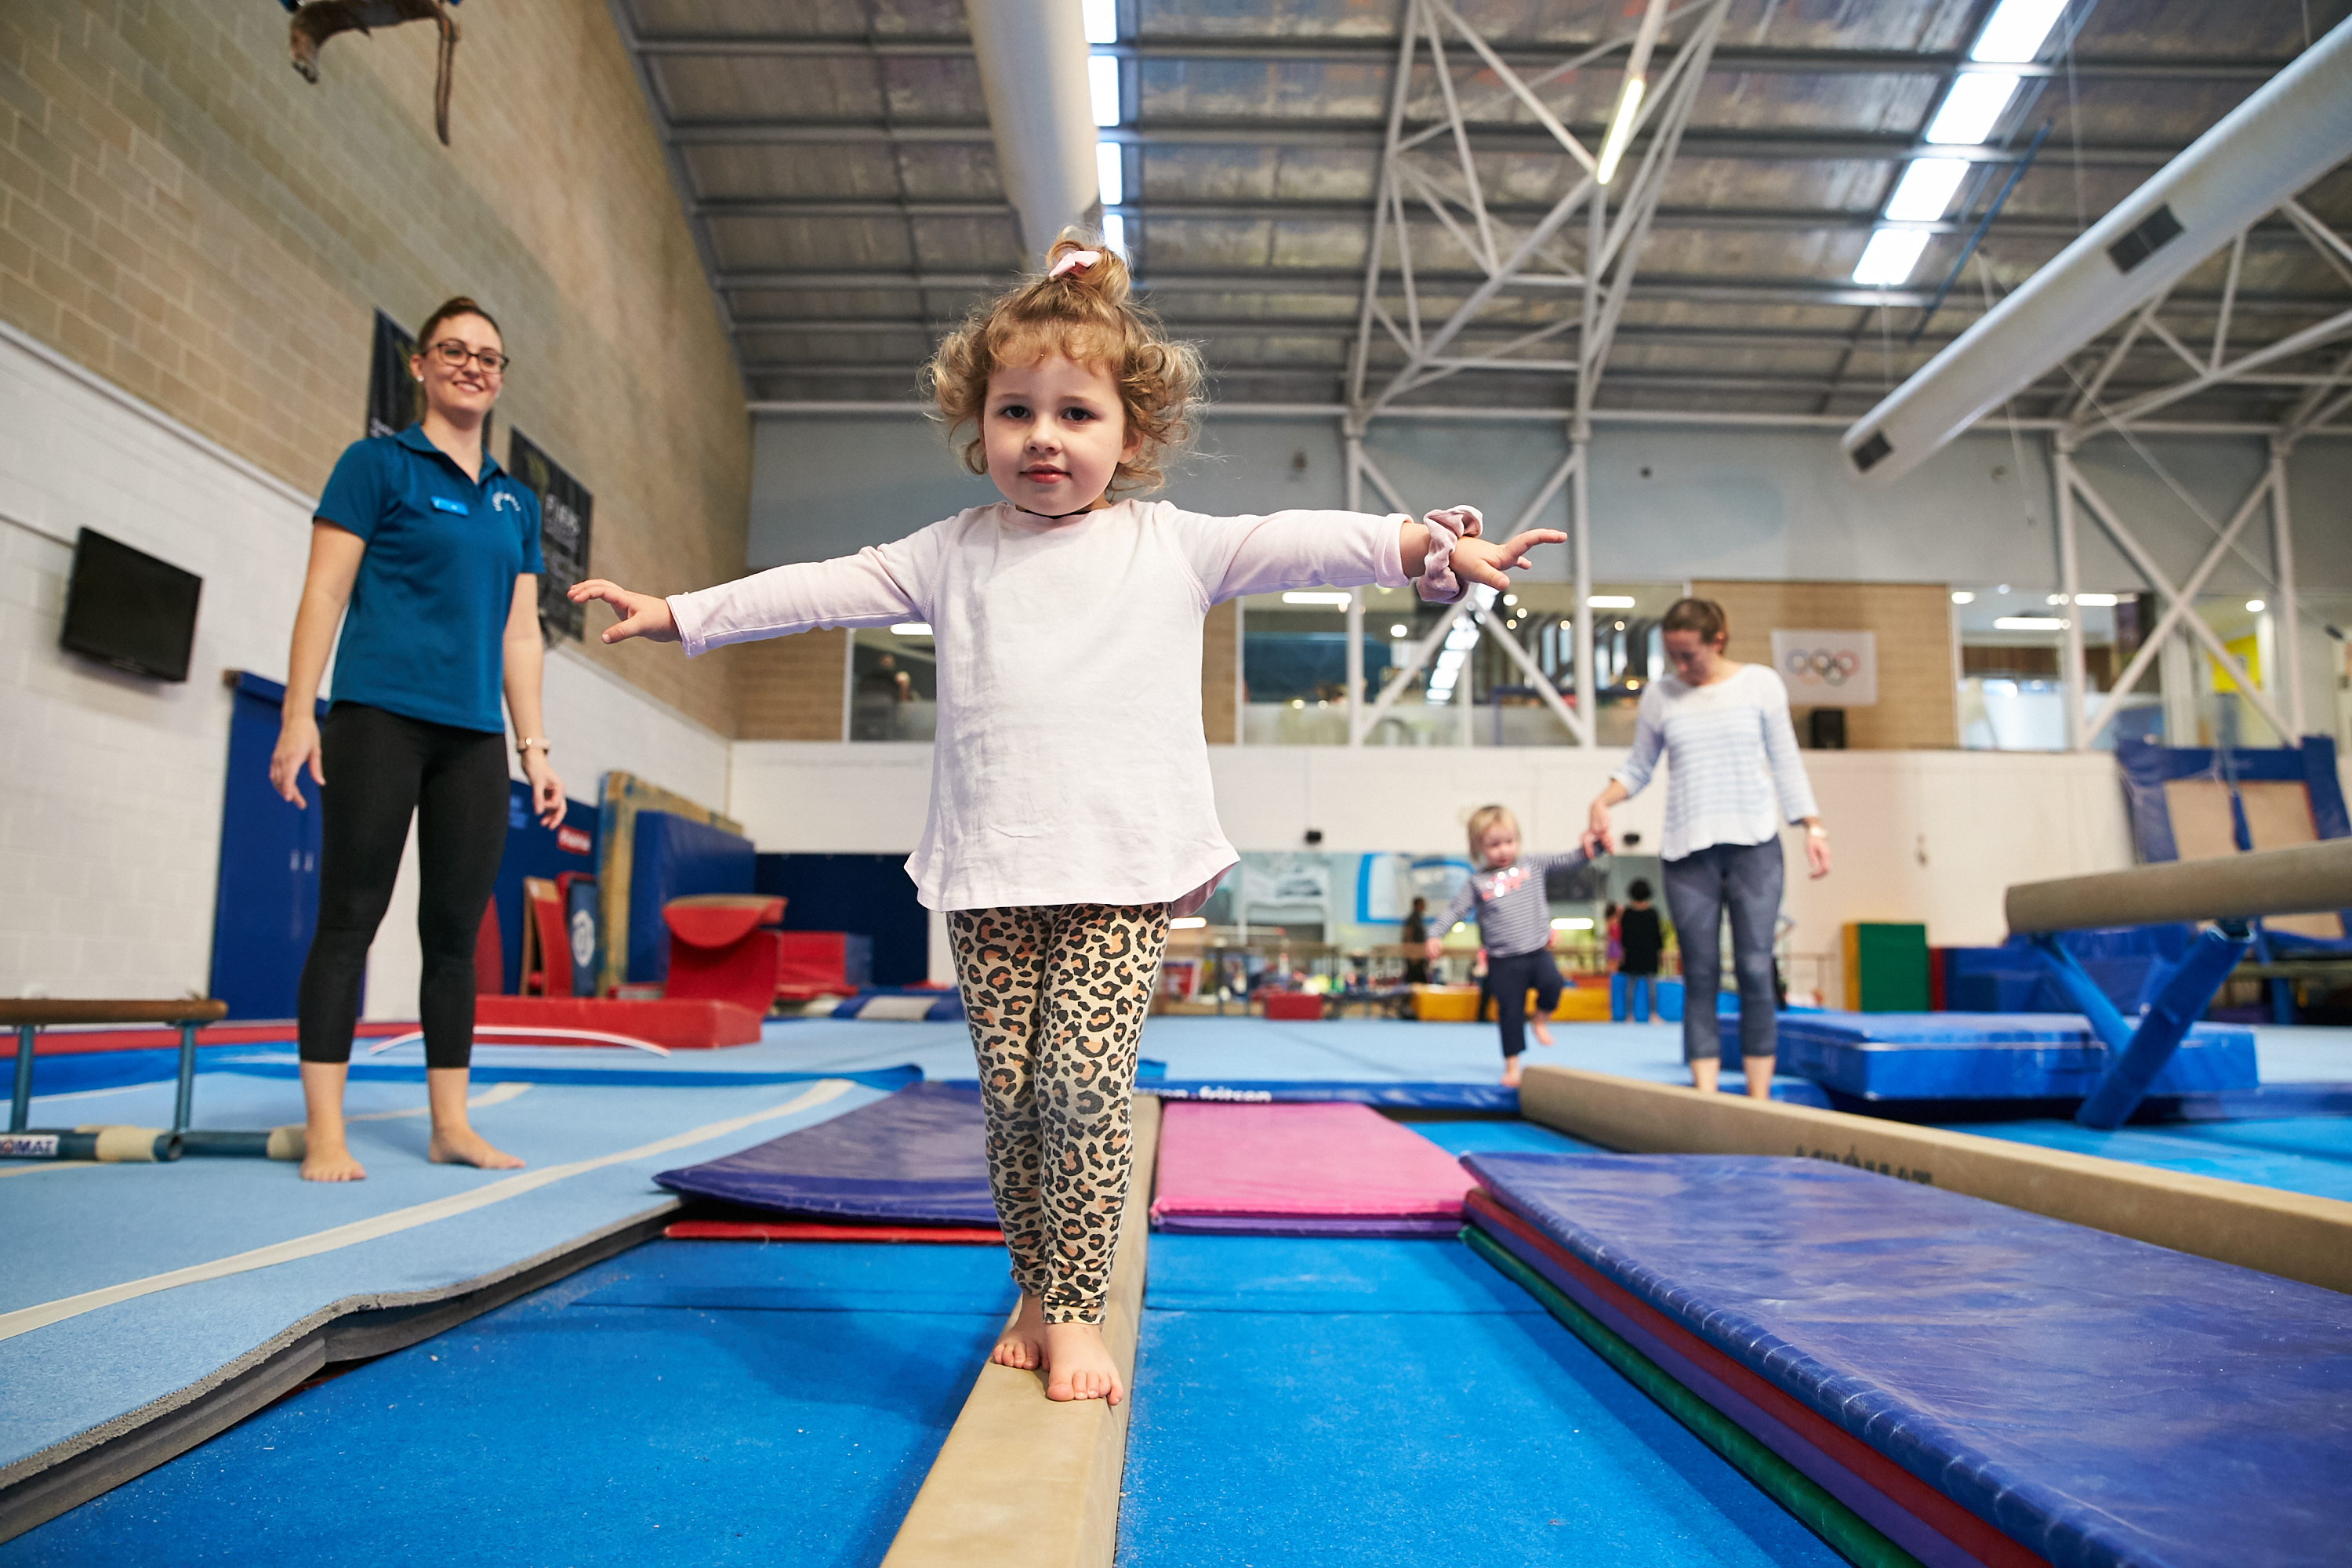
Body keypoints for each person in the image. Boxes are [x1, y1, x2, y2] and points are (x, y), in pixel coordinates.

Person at [566, 234, 1562, 1406]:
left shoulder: (1171, 545)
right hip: (991, 870)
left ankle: (1080, 1308)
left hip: (1123, 868)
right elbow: (814, 585)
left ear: (1129, 437)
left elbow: (1306, 537)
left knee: (1081, 1091)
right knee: (1014, 1100)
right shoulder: (949, 554)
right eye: (1015, 411)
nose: (1044, 436)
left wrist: (1432, 548)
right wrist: (680, 612)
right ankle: (1036, 1291)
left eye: (1076, 414)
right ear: (976, 425)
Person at [270, 296, 564, 1182]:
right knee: (349, 919)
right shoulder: (376, 466)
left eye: (489, 356)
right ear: (420, 363)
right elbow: (323, 593)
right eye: (456, 350)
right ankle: (326, 1130)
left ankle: (451, 1124)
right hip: (378, 719)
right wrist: (297, 714)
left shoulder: (514, 501)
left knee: (452, 931)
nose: (474, 366)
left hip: (472, 736)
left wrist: (536, 748)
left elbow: (521, 634)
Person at [1583, 597, 1828, 1098]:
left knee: (1756, 966)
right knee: (1699, 971)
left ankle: (1758, 1098)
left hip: (1754, 844)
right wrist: (1602, 801)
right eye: (1672, 655)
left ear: (1718, 641)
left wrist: (1812, 826)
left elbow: (1786, 761)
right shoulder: (1661, 696)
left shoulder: (1759, 685)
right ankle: (1707, 1095)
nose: (1680, 666)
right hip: (1686, 850)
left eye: (1688, 655)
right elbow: (1639, 766)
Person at [1425, 805, 1589, 1087]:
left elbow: (1569, 861)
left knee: (1553, 986)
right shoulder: (1477, 882)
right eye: (1494, 845)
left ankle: (1540, 1018)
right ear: (1478, 848)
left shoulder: (1532, 865)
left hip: (1537, 951)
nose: (1503, 850)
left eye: (1509, 842)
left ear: (1518, 839)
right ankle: (1513, 1065)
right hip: (1503, 960)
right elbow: (1455, 911)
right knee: (1509, 1013)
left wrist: (1593, 847)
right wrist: (1435, 934)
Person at [1617, 879, 1664, 1023]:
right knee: (1651, 986)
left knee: (1631, 986)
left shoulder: (1627, 914)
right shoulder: (1652, 913)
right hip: (1649, 954)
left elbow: (1623, 937)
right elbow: (1658, 936)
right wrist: (1660, 953)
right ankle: (1653, 1014)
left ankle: (1629, 1015)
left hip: (1632, 953)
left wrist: (1623, 954)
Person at [1399, 895, 1430, 985]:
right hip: (1414, 956)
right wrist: (1412, 954)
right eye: (1422, 905)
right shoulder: (1412, 919)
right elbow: (1407, 936)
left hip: (1419, 955)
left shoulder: (1419, 919)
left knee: (1421, 980)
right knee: (1414, 979)